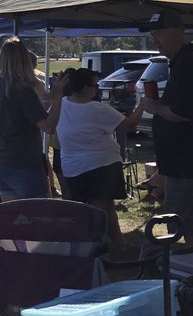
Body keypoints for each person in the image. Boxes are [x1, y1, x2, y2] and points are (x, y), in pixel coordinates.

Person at [137, 11, 193, 247]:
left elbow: (182, 113)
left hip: (189, 161)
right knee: (180, 221)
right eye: (153, 34)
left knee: (185, 223)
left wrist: (154, 107)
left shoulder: (188, 63)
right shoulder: (179, 63)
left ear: (178, 32)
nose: (155, 39)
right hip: (181, 161)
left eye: (159, 34)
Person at [55, 67, 150, 249]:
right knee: (104, 209)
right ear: (84, 88)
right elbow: (129, 125)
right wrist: (142, 105)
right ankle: (108, 244)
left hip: (72, 168)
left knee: (88, 209)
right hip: (101, 164)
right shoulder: (98, 109)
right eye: (94, 85)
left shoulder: (60, 104)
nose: (96, 89)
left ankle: (101, 243)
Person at [0, 38, 68, 201]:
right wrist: (57, 98)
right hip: (24, 163)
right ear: (25, 60)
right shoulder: (24, 91)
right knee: (35, 219)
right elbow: (48, 127)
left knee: (13, 219)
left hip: (0, 162)